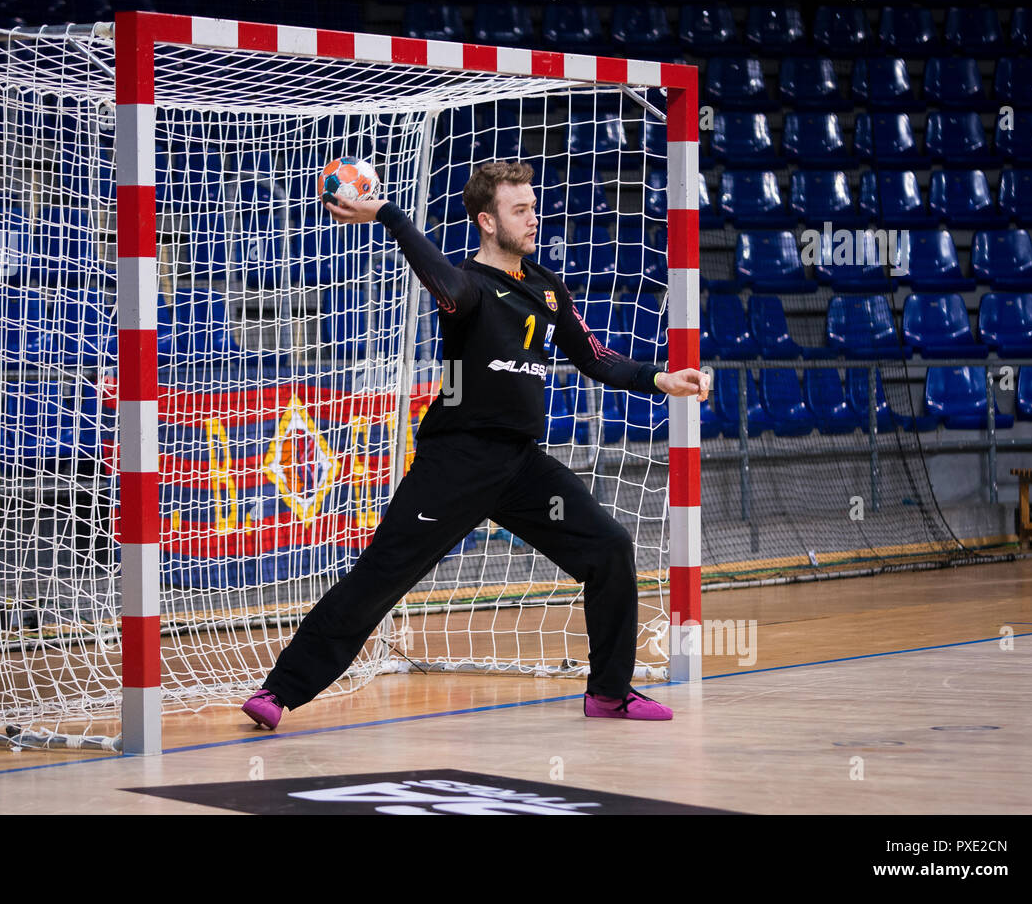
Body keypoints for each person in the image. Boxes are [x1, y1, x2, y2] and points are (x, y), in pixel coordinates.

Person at [243, 161, 709, 730]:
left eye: (533, 206)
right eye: (520, 210)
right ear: (487, 221)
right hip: (456, 462)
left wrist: (660, 377)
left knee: (609, 547)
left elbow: (593, 357)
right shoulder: (466, 287)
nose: (534, 218)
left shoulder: (546, 288)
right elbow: (438, 276)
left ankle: (610, 693)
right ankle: (279, 692)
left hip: (520, 466)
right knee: (381, 576)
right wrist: (387, 214)